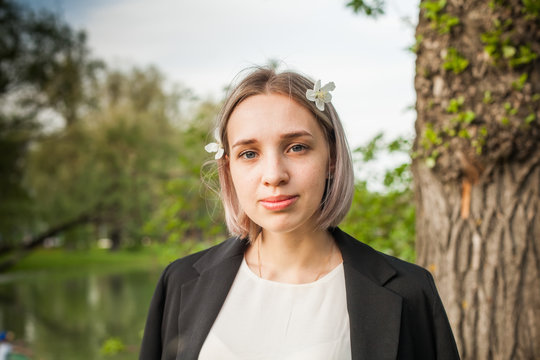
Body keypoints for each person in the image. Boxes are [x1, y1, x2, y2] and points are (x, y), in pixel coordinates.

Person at [139, 68, 460, 360]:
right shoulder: (179, 282)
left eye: (296, 147)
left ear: (332, 157)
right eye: (249, 153)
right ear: (229, 169)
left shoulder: (409, 291)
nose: (274, 174)